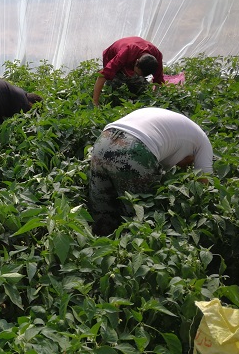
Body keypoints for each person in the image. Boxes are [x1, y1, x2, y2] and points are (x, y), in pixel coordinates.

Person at [88, 107, 213, 236]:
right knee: (139, 216)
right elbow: (205, 182)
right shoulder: (203, 142)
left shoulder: (179, 129)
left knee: (102, 209)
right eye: (190, 164)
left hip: (104, 139)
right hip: (135, 147)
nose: (185, 168)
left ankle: (99, 243)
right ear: (192, 155)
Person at [92, 36, 164, 107]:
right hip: (113, 55)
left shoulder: (157, 56)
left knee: (141, 90)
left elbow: (159, 80)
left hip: (132, 55)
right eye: (136, 73)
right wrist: (95, 102)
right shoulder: (126, 53)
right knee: (113, 89)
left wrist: (155, 99)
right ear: (136, 62)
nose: (136, 76)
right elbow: (103, 75)